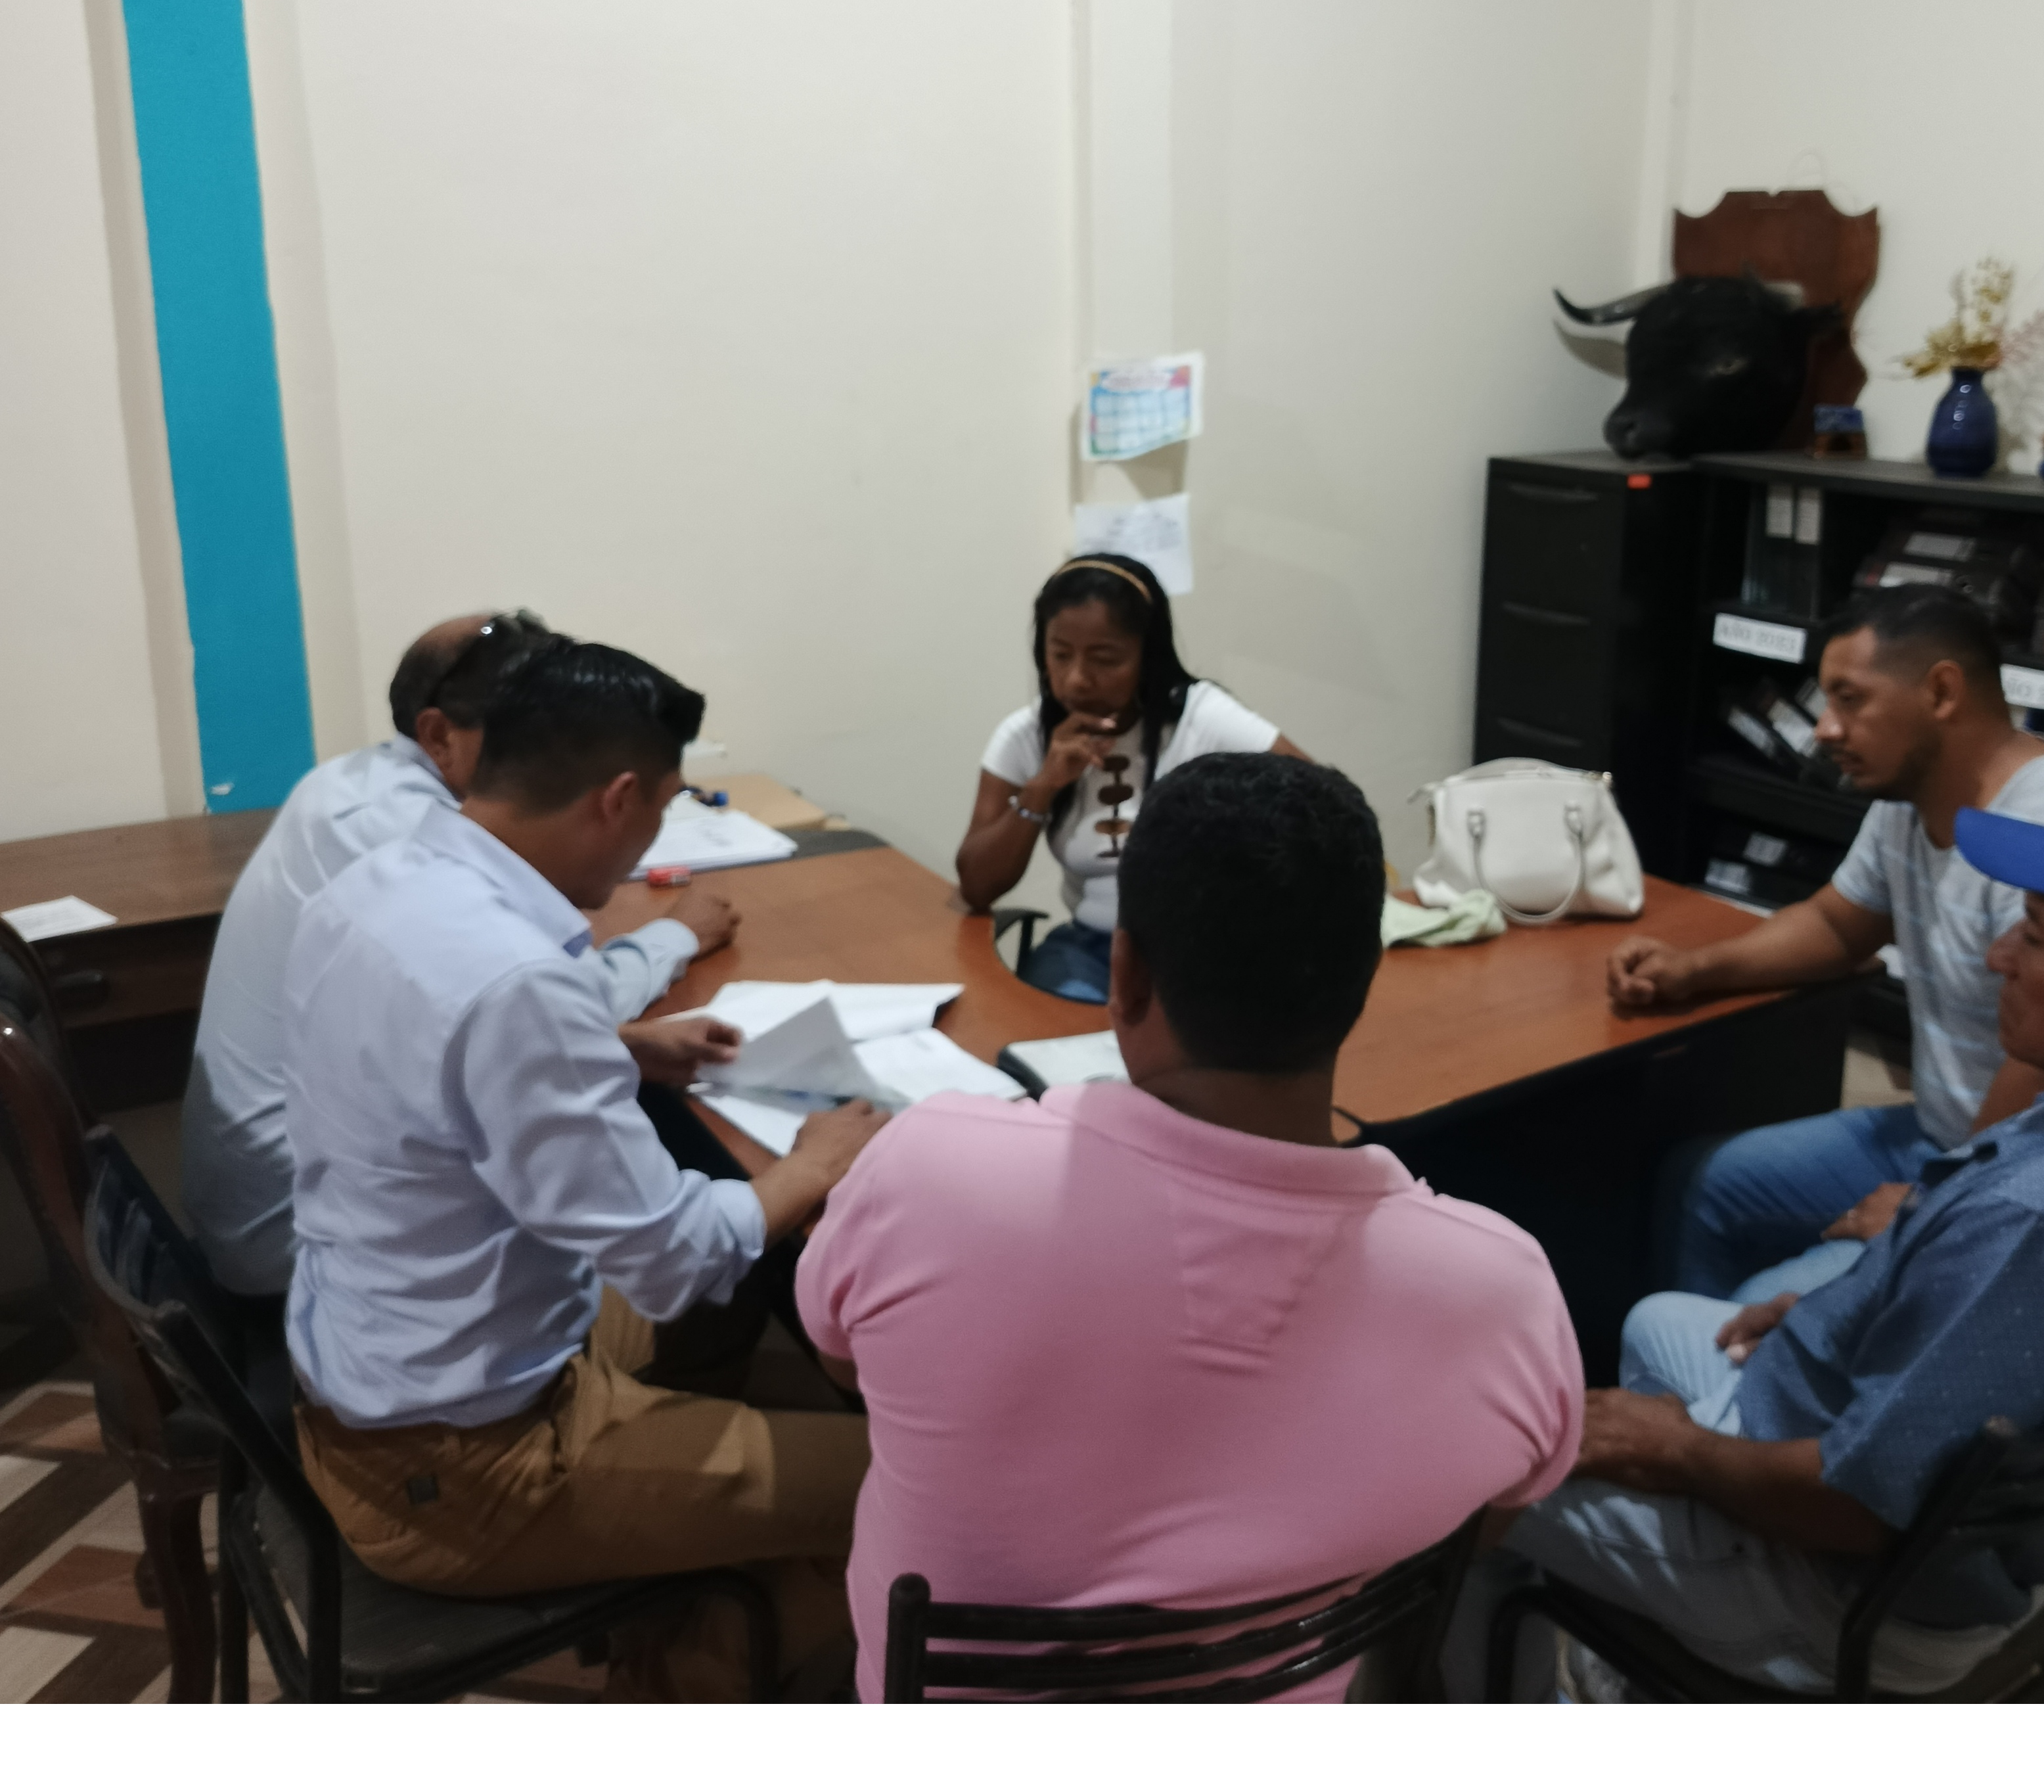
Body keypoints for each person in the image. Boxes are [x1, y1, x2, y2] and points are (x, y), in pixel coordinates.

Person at [1455, 772, 2044, 1697]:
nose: (1997, 955)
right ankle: (1638, 1655)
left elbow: (1857, 1505)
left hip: (1854, 1594)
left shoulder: (2040, 1225)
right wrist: (1848, 1307)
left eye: (2033, 934)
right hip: (1971, 1525)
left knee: (1466, 1472)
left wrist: (1680, 1453)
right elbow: (2030, 1348)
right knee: (1656, 1319)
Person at [804, 753, 1583, 1701]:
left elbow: (842, 1363)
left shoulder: (926, 1169)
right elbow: (1483, 1521)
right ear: (1364, 981)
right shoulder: (1502, 1292)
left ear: (1123, 974)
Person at [283, 641, 880, 1699]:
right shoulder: (515, 980)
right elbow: (671, 1256)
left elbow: (442, 1063)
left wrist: (615, 1049)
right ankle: (689, 1673)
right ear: (619, 799)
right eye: (663, 808)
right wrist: (817, 1161)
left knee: (736, 1306)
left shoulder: (379, 882)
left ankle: (673, 1574)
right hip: (466, 1472)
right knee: (905, 1482)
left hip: (380, 1373)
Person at [182, 612, 739, 1295]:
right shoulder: (401, 835)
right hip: (305, 1234)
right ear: (439, 735)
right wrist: (675, 937)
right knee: (693, 1211)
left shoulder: (352, 786)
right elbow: (537, 995)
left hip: (327, 1189)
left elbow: (455, 1024)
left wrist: (621, 1046)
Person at [1608, 585, 2044, 1304]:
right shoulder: (1907, 800)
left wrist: (1937, 1202)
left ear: (1941, 691)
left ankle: (1726, 1365)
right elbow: (1837, 925)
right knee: (1701, 1181)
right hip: (1939, 1136)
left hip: (2025, 1181)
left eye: (1849, 699)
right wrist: (1693, 969)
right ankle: (1693, 1364)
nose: (1823, 729)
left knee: (1768, 1307)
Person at [954, 554, 1307, 1004]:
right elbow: (977, 887)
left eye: (1105, 659)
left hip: (1201, 955)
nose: (1077, 680)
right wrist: (1042, 787)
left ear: (1148, 656)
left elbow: (1322, 809)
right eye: (1060, 655)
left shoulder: (1201, 718)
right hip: (1089, 951)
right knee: (1050, 1026)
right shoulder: (1025, 736)